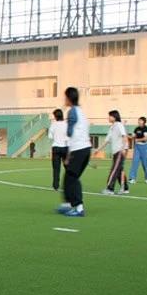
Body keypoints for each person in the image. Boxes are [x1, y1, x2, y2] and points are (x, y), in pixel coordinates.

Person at [55, 87, 91, 217]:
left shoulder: (72, 112)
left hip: (79, 148)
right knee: (69, 176)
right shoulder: (80, 111)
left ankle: (78, 207)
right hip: (85, 148)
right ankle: (69, 203)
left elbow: (70, 133)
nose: (64, 99)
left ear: (69, 98)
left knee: (72, 177)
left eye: (65, 97)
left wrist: (69, 154)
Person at [94, 110, 129, 195]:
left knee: (114, 169)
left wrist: (124, 148)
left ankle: (110, 189)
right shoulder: (112, 127)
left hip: (120, 150)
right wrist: (98, 150)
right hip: (116, 151)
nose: (108, 118)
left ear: (115, 117)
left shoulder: (119, 125)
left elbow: (124, 136)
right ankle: (125, 188)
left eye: (110, 116)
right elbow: (106, 140)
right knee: (119, 170)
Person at [48, 109, 68, 190]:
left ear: (55, 117)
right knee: (67, 167)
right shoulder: (67, 124)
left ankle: (55, 185)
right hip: (65, 147)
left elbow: (50, 136)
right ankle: (68, 184)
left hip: (56, 147)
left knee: (56, 168)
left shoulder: (53, 125)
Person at [129, 116, 147, 184]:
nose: (139, 121)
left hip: (145, 147)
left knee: (145, 163)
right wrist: (126, 136)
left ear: (144, 122)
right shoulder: (136, 129)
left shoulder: (145, 128)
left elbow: (146, 138)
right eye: (138, 120)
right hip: (137, 146)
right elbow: (132, 137)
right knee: (135, 162)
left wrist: (137, 139)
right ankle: (132, 178)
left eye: (140, 120)